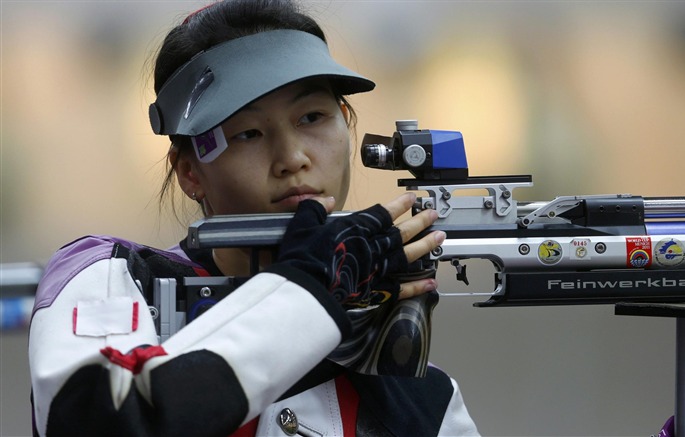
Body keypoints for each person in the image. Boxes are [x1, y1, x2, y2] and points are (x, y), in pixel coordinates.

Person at [28, 1, 479, 435]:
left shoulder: (421, 398)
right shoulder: (106, 274)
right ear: (190, 171)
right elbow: (95, 421)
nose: (293, 157)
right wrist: (305, 292)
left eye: (312, 117)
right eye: (248, 133)